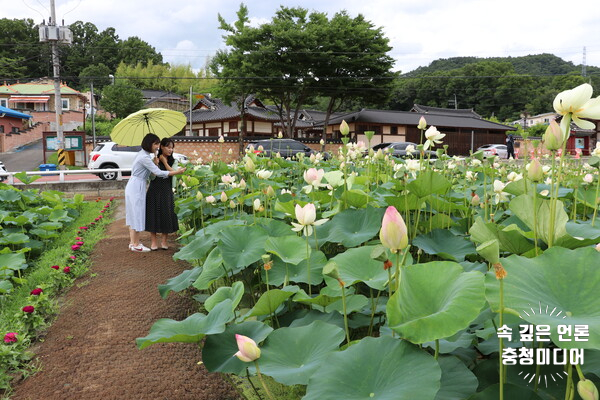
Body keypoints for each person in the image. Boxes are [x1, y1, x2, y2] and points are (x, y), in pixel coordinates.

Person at [125, 133, 185, 252]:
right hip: (138, 185)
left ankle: (133, 243)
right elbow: (158, 173)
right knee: (136, 214)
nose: (157, 146)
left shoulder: (145, 155)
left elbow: (152, 173)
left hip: (137, 184)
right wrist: (176, 172)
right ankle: (136, 244)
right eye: (156, 144)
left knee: (134, 214)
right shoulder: (145, 157)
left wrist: (156, 164)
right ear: (149, 144)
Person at [145, 138, 180, 250]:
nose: (170, 150)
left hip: (166, 189)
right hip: (154, 189)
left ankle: (164, 241)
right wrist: (155, 165)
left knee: (166, 214)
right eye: (168, 147)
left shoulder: (173, 161)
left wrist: (164, 162)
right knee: (153, 214)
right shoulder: (153, 159)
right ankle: (154, 242)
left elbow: (171, 173)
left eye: (172, 147)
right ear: (162, 147)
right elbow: (151, 177)